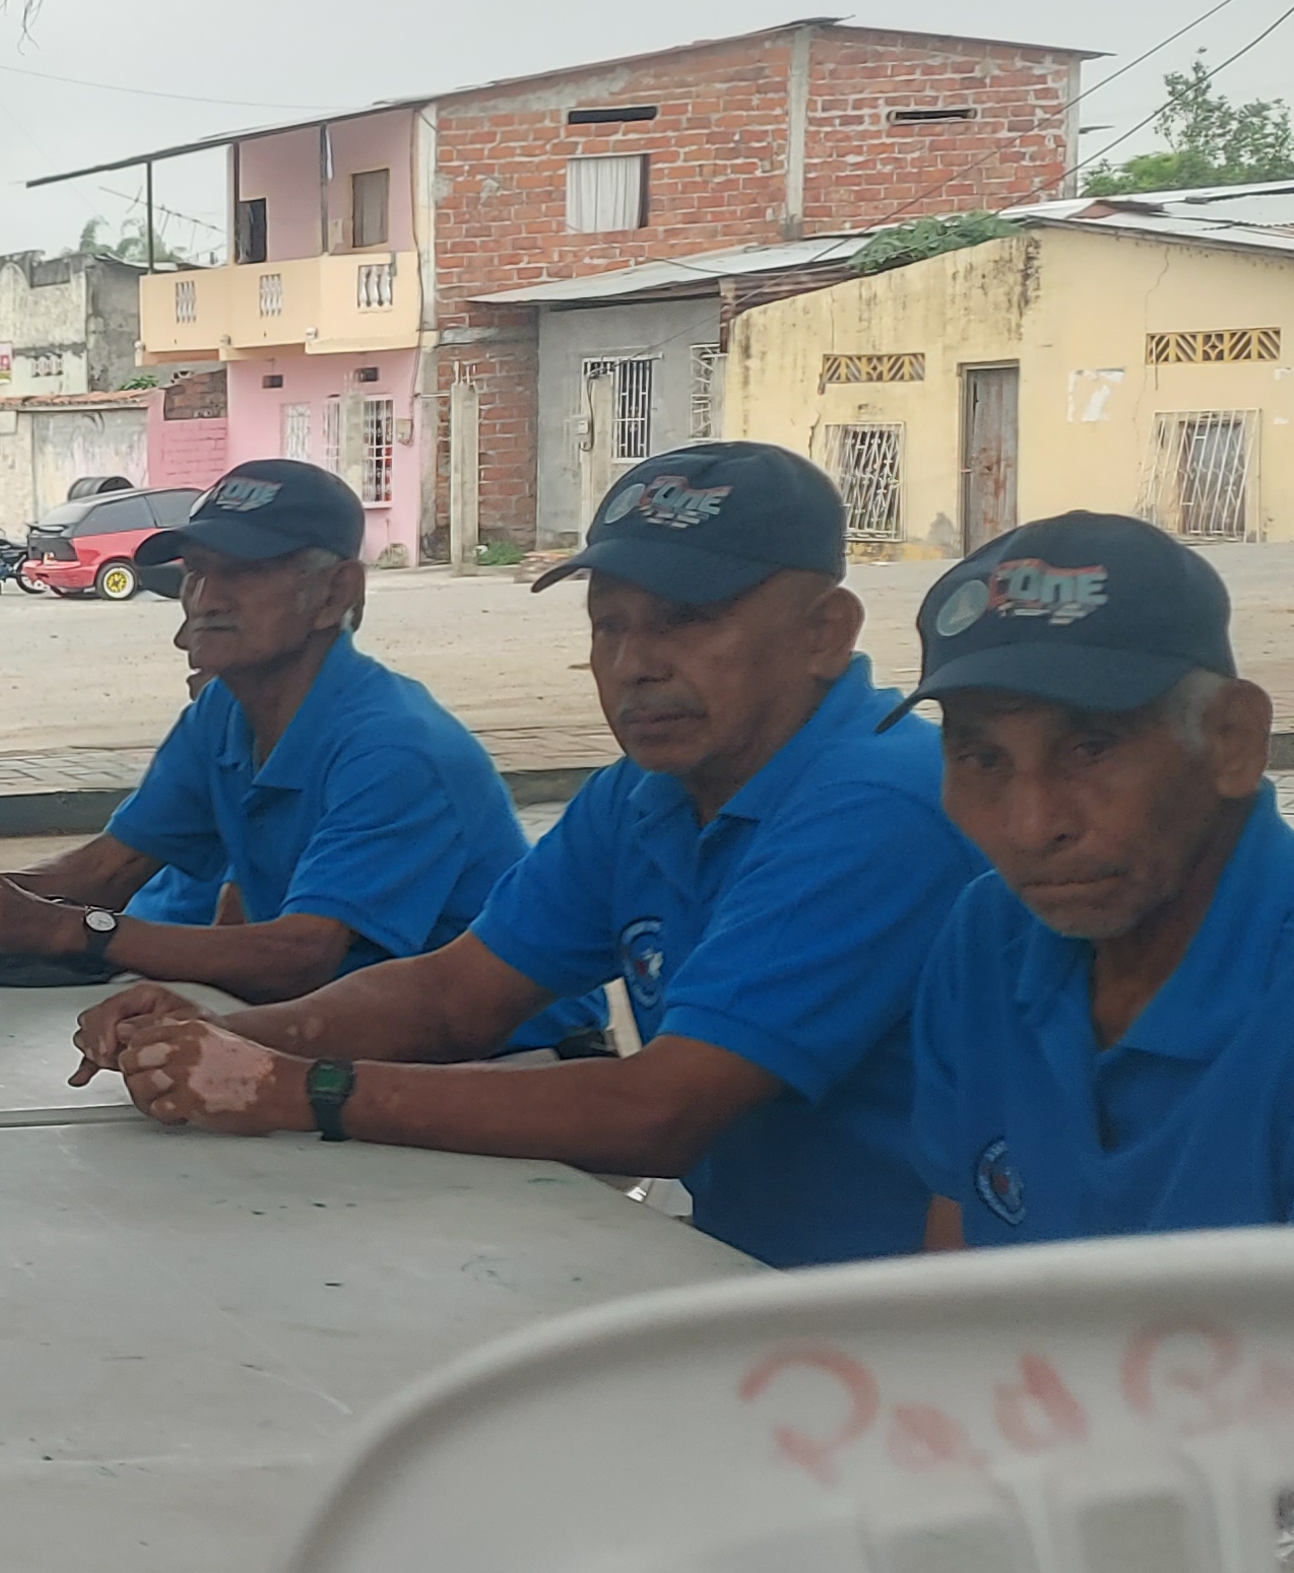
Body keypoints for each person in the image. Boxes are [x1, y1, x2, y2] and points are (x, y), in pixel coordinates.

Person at [71, 442, 980, 1269]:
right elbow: (456, 993)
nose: (634, 664)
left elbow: (661, 1110)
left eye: (687, 621)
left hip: (901, 1328)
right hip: (740, 1273)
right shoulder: (644, 793)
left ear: (825, 633)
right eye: (608, 625)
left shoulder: (879, 798)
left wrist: (306, 1087)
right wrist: (224, 1035)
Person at [0, 458, 539, 1002]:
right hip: (359, 1033)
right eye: (197, 571)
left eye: (244, 570)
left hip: (503, 1060)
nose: (206, 597)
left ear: (336, 592)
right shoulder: (225, 712)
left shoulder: (395, 749)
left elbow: (301, 955)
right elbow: (109, 870)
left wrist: (67, 929)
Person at [902, 512, 1292, 1245]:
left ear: (1231, 740)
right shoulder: (989, 932)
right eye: (983, 759)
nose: (1031, 827)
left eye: (1091, 748)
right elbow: (959, 1266)